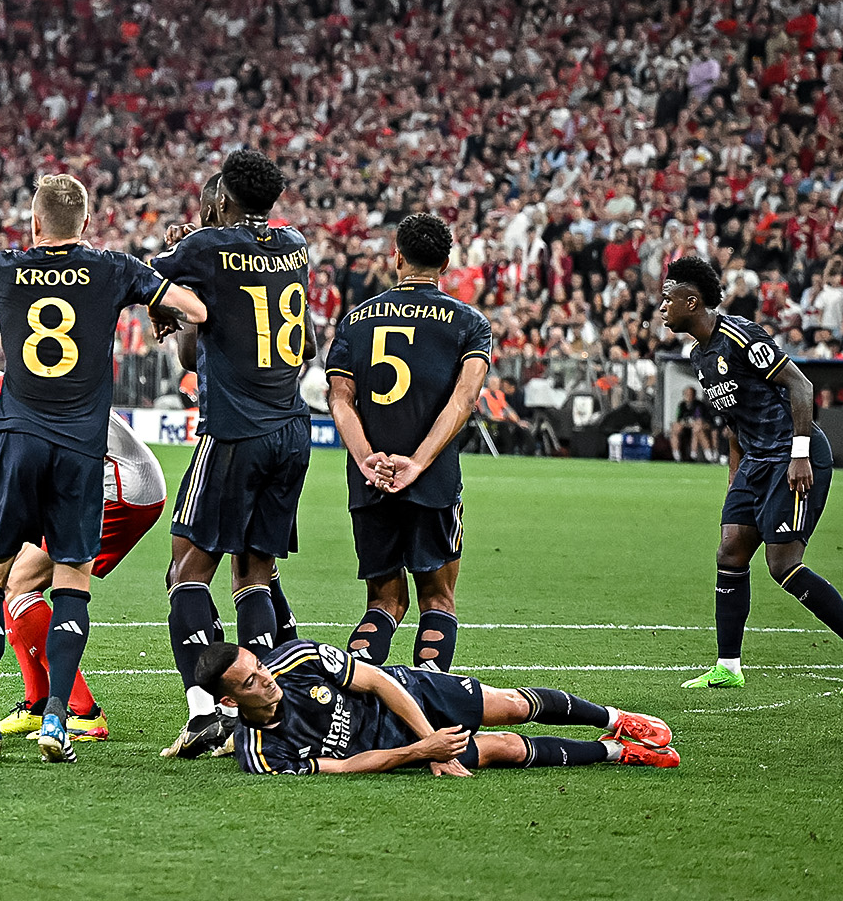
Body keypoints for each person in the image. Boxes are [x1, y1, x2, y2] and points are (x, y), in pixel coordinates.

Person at [0, 174, 206, 764]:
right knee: (71, 579)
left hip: (19, 439)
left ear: (35, 222)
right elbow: (193, 307)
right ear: (85, 225)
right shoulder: (113, 268)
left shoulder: (6, 266)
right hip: (81, 449)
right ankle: (60, 721)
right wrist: (163, 307)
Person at [657, 257, 843, 694]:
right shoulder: (699, 354)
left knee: (782, 564)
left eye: (668, 298)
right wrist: (735, 478)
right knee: (730, 552)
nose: (662, 307)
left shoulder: (738, 334)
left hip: (793, 455)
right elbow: (734, 423)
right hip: (755, 462)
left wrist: (799, 455)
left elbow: (801, 386)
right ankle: (728, 665)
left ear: (692, 301)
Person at [146, 154, 317, 758]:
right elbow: (300, 343)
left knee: (185, 570)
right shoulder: (295, 244)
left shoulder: (208, 246)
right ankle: (262, 719)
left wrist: (174, 286)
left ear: (221, 201)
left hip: (233, 432)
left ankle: (201, 712)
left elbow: (147, 281)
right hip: (292, 432)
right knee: (256, 575)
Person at [0, 322, 167, 744]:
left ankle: (83, 711)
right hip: (113, 478)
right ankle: (38, 703)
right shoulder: (12, 389)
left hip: (121, 486)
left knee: (18, 581)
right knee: (13, 578)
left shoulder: (12, 395)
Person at [324, 213, 493, 673]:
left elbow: (340, 399)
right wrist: (417, 463)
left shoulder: (356, 320)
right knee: (437, 597)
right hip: (433, 479)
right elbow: (464, 399)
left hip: (370, 478)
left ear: (396, 257)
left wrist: (365, 460)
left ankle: (356, 698)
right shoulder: (469, 323)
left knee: (383, 601)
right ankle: (431, 703)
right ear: (446, 262)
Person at [193, 639, 680, 775]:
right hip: (395, 746)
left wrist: (434, 742)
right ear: (230, 701)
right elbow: (343, 766)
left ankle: (616, 719)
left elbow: (380, 682)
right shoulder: (260, 754)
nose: (267, 679)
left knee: (508, 706)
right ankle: (617, 752)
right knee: (504, 749)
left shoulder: (294, 659)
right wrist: (421, 751)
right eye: (252, 681)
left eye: (259, 666)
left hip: (410, 695)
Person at [673, 385, 718, 463]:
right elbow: (679, 419)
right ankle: (676, 455)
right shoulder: (682, 405)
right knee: (675, 428)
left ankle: (705, 455)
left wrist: (689, 423)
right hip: (687, 427)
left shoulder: (699, 405)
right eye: (686, 394)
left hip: (704, 426)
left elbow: (699, 420)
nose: (688, 396)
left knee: (697, 429)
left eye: (690, 394)